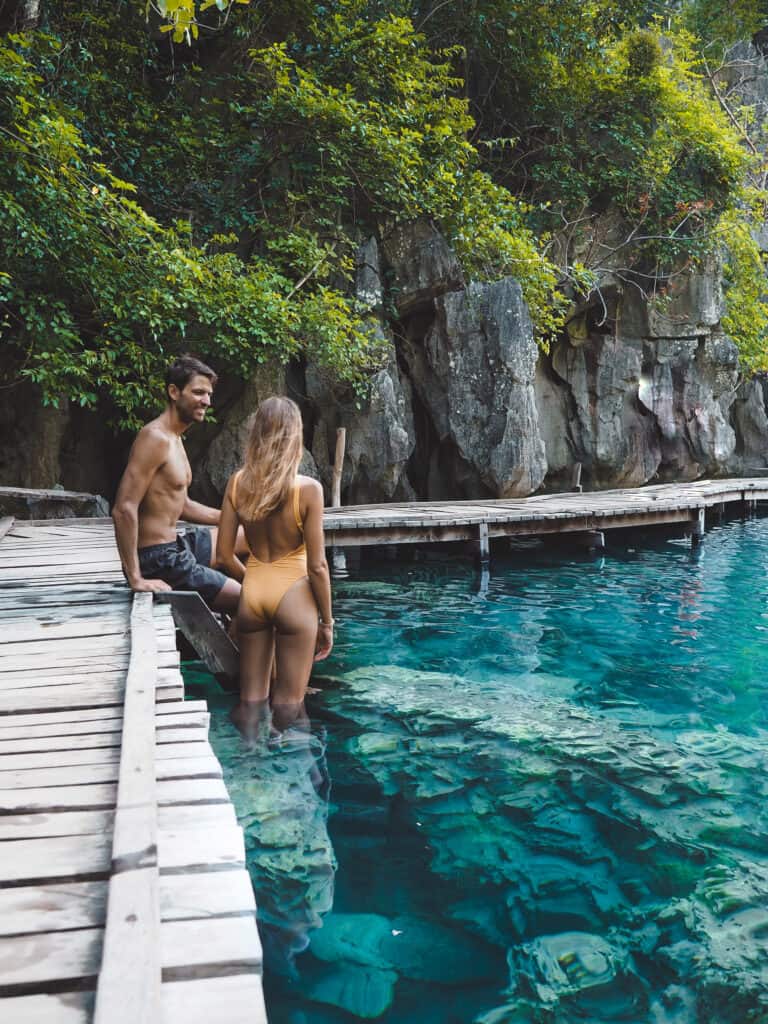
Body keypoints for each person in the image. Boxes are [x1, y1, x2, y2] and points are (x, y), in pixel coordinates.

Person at [216, 396, 333, 723]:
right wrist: (327, 622)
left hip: (253, 595)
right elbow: (317, 566)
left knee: (251, 700)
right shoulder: (308, 490)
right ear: (295, 437)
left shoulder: (237, 484)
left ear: (256, 435)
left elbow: (224, 555)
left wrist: (254, 582)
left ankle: (248, 763)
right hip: (294, 596)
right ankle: (290, 769)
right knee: (289, 704)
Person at [112, 353, 242, 612]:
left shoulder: (175, 438)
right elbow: (123, 508)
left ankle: (239, 611)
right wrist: (136, 578)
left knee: (251, 533)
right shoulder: (155, 438)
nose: (206, 401)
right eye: (198, 392)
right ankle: (244, 609)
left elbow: (183, 506)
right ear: (174, 391)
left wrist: (234, 517)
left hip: (176, 545)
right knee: (252, 603)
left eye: (209, 394)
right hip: (158, 560)